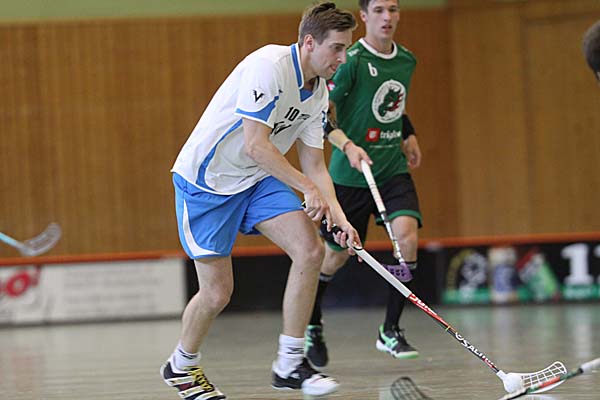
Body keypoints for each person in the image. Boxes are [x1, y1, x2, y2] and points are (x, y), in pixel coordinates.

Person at [160, 3, 359, 399]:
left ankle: (289, 364)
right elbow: (256, 145)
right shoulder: (269, 66)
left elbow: (315, 166)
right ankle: (181, 365)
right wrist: (306, 188)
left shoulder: (318, 92)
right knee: (217, 294)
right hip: (208, 183)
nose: (342, 58)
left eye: (346, 49)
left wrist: (339, 215)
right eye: (336, 48)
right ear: (309, 42)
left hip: (256, 179)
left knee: (311, 250)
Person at [305, 0, 424, 368]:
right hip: (350, 177)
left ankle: (391, 329)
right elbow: (322, 113)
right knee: (335, 256)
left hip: (391, 169)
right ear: (364, 16)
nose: (388, 17)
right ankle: (312, 323)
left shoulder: (406, 60)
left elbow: (394, 104)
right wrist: (348, 146)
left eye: (394, 9)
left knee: (406, 239)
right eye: (379, 10)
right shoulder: (351, 61)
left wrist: (408, 134)